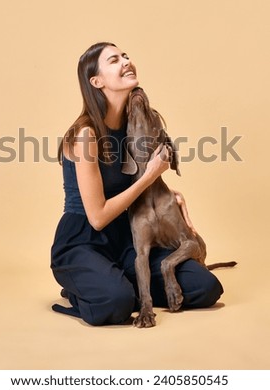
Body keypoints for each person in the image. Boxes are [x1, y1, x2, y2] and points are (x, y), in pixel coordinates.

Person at [50, 42, 223, 326]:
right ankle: (80, 288)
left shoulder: (134, 123)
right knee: (117, 303)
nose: (126, 61)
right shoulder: (86, 134)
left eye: (126, 56)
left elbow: (136, 184)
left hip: (128, 239)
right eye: (114, 60)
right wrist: (150, 177)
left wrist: (168, 195)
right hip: (84, 240)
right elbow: (98, 217)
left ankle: (118, 282)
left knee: (205, 287)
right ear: (97, 81)